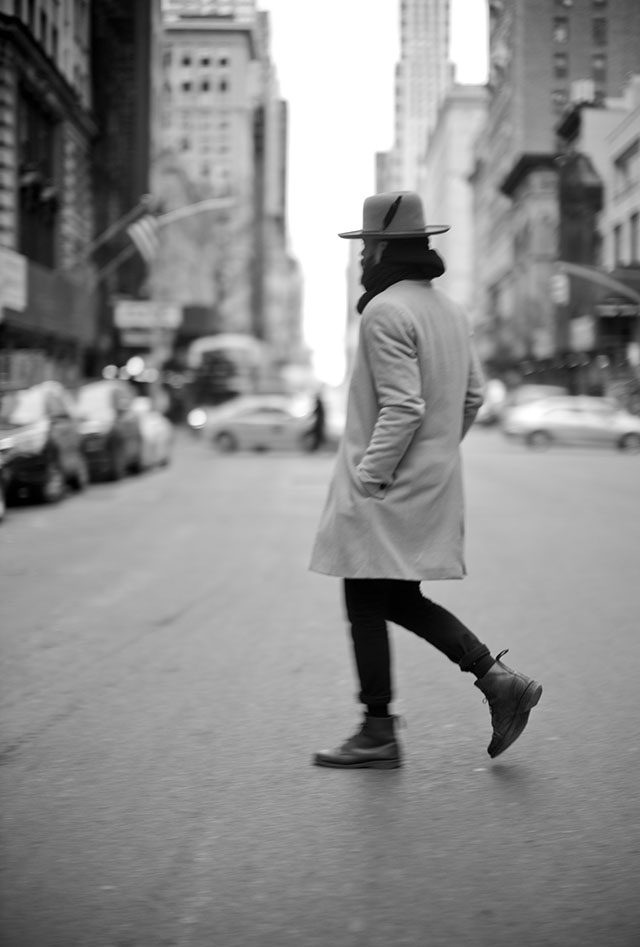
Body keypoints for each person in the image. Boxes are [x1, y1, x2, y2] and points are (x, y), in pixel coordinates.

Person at [309, 190, 542, 769]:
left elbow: (404, 407)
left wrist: (370, 478)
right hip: (426, 485)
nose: (363, 257)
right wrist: (437, 456)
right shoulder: (449, 310)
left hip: (383, 491)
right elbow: (473, 397)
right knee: (396, 598)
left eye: (367, 246)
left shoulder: (386, 309)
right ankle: (495, 679)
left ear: (381, 247)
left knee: (364, 600)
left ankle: (378, 729)